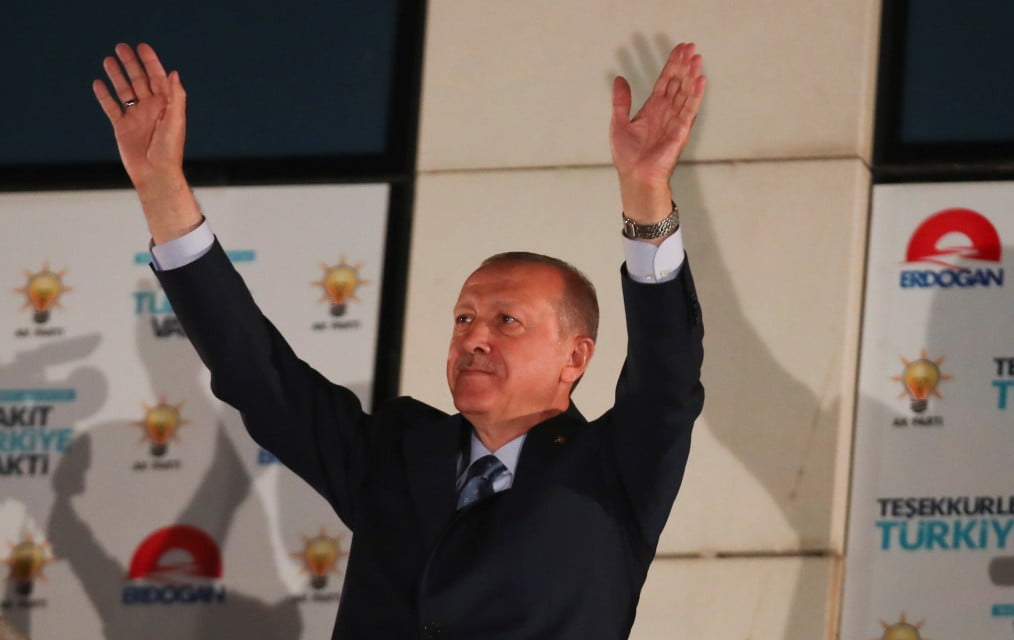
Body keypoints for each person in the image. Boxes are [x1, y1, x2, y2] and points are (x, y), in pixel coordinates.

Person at [94, 41, 706, 639]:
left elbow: (667, 373)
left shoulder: (613, 466)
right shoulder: (399, 450)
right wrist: (161, 189)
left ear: (575, 357)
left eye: (507, 321)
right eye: (464, 319)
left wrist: (646, 193)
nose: (475, 337)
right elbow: (259, 376)